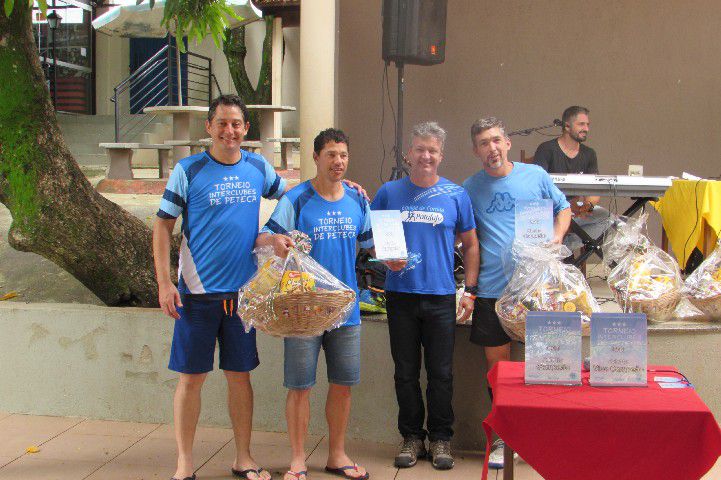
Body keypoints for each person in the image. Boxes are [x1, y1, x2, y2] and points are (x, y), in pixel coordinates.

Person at [153, 94, 286, 480]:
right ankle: (184, 464)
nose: (230, 131)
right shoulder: (189, 169)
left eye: (237, 124)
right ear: (209, 127)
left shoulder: (258, 167)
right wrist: (164, 283)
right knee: (191, 379)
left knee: (239, 376)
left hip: (242, 297)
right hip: (196, 294)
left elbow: (292, 197)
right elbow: (162, 226)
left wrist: (268, 235)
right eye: (222, 123)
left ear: (246, 129)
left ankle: (243, 457)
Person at [256, 128, 376, 480]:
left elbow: (372, 245)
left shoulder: (358, 200)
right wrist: (276, 240)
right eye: (331, 155)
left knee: (342, 384)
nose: (338, 162)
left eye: (343, 155)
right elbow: (263, 237)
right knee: (300, 386)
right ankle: (297, 459)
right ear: (316, 158)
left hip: (346, 311)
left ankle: (337, 455)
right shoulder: (296, 200)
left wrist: (395, 256)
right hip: (302, 310)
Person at [463, 117, 571, 469]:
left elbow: (564, 209)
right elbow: (466, 237)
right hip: (493, 291)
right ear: (476, 150)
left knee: (545, 365)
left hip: (537, 291)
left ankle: (542, 437)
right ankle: (502, 441)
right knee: (499, 372)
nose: (491, 148)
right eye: (483, 143)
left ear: (507, 142)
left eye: (496, 140)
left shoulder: (535, 176)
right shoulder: (470, 188)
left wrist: (555, 239)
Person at [371, 122, 480, 471]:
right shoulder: (389, 192)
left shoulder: (455, 194)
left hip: (440, 297)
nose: (426, 156)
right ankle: (411, 437)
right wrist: (384, 256)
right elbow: (374, 240)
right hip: (400, 295)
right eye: (420, 149)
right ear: (409, 153)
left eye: (432, 150)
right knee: (404, 372)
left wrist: (471, 291)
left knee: (441, 373)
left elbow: (472, 244)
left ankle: (440, 439)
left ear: (441, 155)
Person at [533, 106, 610, 251]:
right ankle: (559, 246)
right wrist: (564, 205)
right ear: (567, 126)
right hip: (551, 211)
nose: (586, 128)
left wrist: (588, 206)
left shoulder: (589, 154)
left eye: (588, 125)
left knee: (607, 218)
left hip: (576, 211)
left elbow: (594, 190)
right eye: (581, 124)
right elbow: (537, 188)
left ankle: (563, 248)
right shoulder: (546, 149)